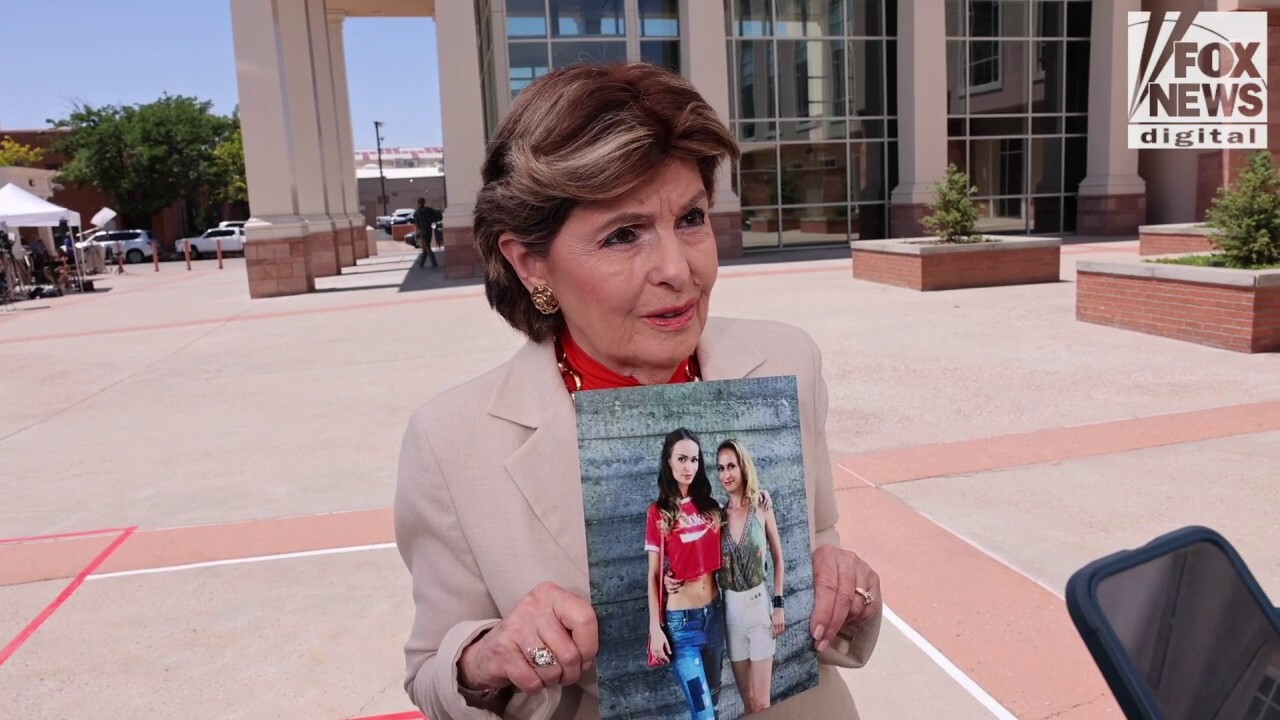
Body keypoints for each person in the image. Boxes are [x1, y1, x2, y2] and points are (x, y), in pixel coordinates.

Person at [393, 61, 883, 720]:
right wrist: (499, 657)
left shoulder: (785, 363)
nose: (679, 271)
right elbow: (435, 672)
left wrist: (840, 584)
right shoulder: (452, 442)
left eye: (690, 218)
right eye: (623, 235)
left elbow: (815, 546)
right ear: (530, 262)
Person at [645, 429, 728, 720]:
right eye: (681, 459)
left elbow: (742, 519)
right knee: (703, 712)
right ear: (668, 462)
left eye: (694, 460)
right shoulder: (658, 513)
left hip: (715, 617)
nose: (688, 467)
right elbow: (654, 574)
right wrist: (655, 628)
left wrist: (761, 496)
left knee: (715, 704)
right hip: (683, 626)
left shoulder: (712, 507)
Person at [714, 439, 786, 714]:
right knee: (749, 704)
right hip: (730, 612)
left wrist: (778, 605)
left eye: (731, 466)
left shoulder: (761, 506)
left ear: (743, 467)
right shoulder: (717, 516)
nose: (726, 475)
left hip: (759, 608)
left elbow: (779, 559)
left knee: (763, 703)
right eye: (721, 468)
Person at [413, 197, 439, 268]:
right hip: (429, 230)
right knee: (425, 247)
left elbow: (417, 224)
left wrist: (417, 233)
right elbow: (436, 215)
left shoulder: (417, 212)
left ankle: (434, 262)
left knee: (427, 247)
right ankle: (421, 263)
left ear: (418, 203)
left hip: (423, 231)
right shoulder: (429, 210)